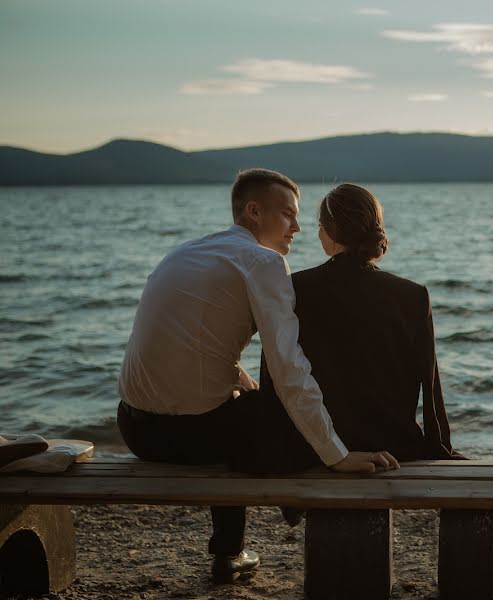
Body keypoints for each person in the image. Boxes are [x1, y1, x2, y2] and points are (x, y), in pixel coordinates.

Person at [116, 169, 399, 584]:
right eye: (287, 214)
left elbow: (182, 346)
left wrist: (239, 378)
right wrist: (336, 454)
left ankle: (231, 550)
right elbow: (289, 366)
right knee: (282, 410)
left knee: (243, 401)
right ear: (253, 211)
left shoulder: (186, 253)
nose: (298, 227)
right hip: (190, 436)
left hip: (134, 429)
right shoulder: (265, 262)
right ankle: (239, 545)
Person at [256, 183, 461, 470]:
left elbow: (275, 373)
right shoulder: (412, 295)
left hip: (315, 447)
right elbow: (430, 383)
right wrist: (438, 446)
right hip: (394, 445)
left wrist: (280, 446)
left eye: (319, 225)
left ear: (329, 232)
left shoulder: (295, 289)